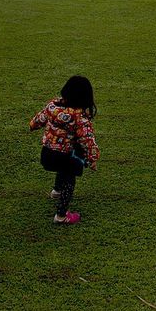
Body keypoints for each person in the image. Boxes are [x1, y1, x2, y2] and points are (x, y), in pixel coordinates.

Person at [30, 76, 99, 225]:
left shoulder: (53, 106)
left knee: (62, 167)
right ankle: (61, 215)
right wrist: (92, 159)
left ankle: (56, 191)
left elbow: (39, 119)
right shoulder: (80, 117)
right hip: (65, 156)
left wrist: (33, 125)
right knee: (69, 176)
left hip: (47, 154)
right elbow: (88, 140)